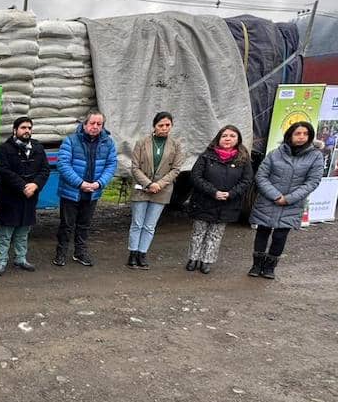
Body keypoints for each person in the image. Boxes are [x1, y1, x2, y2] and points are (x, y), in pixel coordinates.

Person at [248, 121, 324, 279]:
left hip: (292, 204)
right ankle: (256, 265)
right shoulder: (275, 153)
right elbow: (261, 176)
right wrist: (275, 195)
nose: (301, 137)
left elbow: (312, 182)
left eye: (305, 134)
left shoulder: (315, 157)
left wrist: (288, 199)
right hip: (268, 200)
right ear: (290, 135)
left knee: (280, 236)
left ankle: (270, 268)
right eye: (298, 133)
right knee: (262, 232)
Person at [185, 125, 254, 274]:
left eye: (232, 136)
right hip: (204, 200)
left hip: (227, 203)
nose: (228, 139)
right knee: (198, 232)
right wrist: (213, 191)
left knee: (215, 234)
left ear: (238, 139)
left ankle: (206, 261)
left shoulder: (243, 159)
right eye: (224, 136)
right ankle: (193, 258)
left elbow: (246, 180)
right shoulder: (207, 155)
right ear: (218, 138)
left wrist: (231, 194)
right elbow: (196, 176)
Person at [54, 110, 118, 267]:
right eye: (92, 123)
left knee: (84, 225)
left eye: (99, 124)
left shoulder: (108, 143)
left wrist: (99, 183)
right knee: (66, 225)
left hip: (92, 193)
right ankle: (61, 253)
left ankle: (80, 252)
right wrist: (80, 183)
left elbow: (111, 164)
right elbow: (63, 164)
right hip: (71, 192)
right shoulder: (71, 141)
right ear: (84, 124)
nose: (95, 127)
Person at [126, 112, 185, 269]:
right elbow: (135, 166)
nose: (164, 128)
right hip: (141, 188)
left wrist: (159, 184)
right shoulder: (141, 142)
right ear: (154, 126)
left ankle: (142, 253)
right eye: (161, 125)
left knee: (150, 225)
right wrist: (148, 183)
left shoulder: (176, 145)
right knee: (137, 223)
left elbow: (176, 169)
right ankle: (132, 253)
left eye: (167, 125)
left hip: (162, 190)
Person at [0, 116, 50, 275]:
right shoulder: (5, 148)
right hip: (10, 197)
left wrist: (36, 185)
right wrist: (22, 186)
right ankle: (2, 261)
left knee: (24, 231)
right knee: (6, 232)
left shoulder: (37, 148)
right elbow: (3, 170)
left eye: (29, 128)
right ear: (15, 130)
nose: (27, 131)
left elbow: (45, 170)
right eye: (23, 128)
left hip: (30, 197)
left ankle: (20, 258)